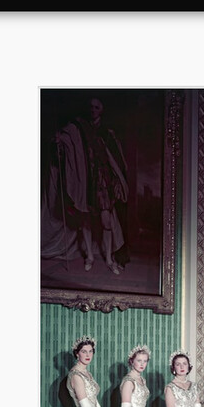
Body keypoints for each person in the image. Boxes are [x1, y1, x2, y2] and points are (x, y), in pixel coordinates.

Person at [41, 96, 129, 274]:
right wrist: (58, 141)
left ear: (101, 110)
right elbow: (64, 140)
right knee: (86, 221)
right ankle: (89, 256)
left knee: (106, 222)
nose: (93, 110)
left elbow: (115, 159)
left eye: (96, 107)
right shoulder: (78, 127)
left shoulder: (106, 132)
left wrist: (116, 181)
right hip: (86, 181)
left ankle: (109, 259)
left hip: (103, 182)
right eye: (90, 107)